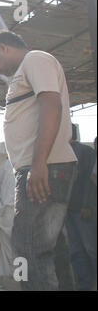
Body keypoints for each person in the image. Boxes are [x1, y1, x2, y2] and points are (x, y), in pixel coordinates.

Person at [0, 30, 78, 290]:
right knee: (50, 248)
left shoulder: (35, 60)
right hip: (41, 167)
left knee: (27, 247)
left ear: (4, 48)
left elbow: (50, 104)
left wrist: (38, 164)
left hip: (42, 168)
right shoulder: (27, 70)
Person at [65, 124, 97, 290]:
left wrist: (87, 205)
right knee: (76, 250)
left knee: (91, 247)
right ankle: (85, 284)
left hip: (83, 209)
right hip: (68, 209)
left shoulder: (85, 152)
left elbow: (91, 182)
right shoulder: (62, 153)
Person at [0, 158, 16, 277]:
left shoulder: (28, 161)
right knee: (5, 250)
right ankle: (6, 281)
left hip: (20, 213)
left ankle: (21, 281)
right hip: (4, 213)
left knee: (21, 249)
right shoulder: (5, 165)